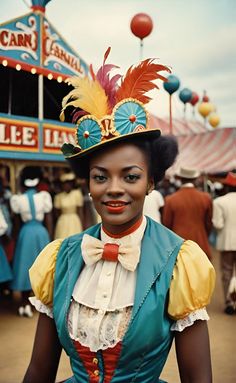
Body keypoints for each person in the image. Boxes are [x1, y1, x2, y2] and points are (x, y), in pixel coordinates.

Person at [23, 50, 215, 383]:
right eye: (100, 176)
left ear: (151, 181)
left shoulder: (180, 262)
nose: (113, 188)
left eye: (130, 176)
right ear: (88, 183)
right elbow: (38, 370)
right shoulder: (59, 259)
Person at [10, 166, 53, 317]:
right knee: (42, 266)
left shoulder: (18, 199)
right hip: (41, 232)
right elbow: (48, 220)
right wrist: (50, 237)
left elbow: (16, 224)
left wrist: (16, 238)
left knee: (24, 266)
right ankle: (37, 302)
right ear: (38, 182)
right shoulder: (44, 197)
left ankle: (24, 303)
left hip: (25, 233)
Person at [162, 166, 213, 259]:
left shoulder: (170, 199)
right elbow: (208, 223)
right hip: (200, 243)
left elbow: (167, 224)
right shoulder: (206, 198)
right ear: (195, 179)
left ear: (180, 179)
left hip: (178, 244)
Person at [212, 172, 236, 315]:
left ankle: (229, 302)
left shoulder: (219, 202)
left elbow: (218, 224)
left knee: (227, 272)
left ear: (226, 186)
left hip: (227, 242)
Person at [54, 172, 84, 239]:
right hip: (63, 221)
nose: (67, 185)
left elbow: (80, 211)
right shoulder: (59, 196)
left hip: (74, 220)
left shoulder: (77, 194)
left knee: (76, 239)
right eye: (65, 183)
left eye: (69, 183)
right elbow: (57, 212)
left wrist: (82, 225)